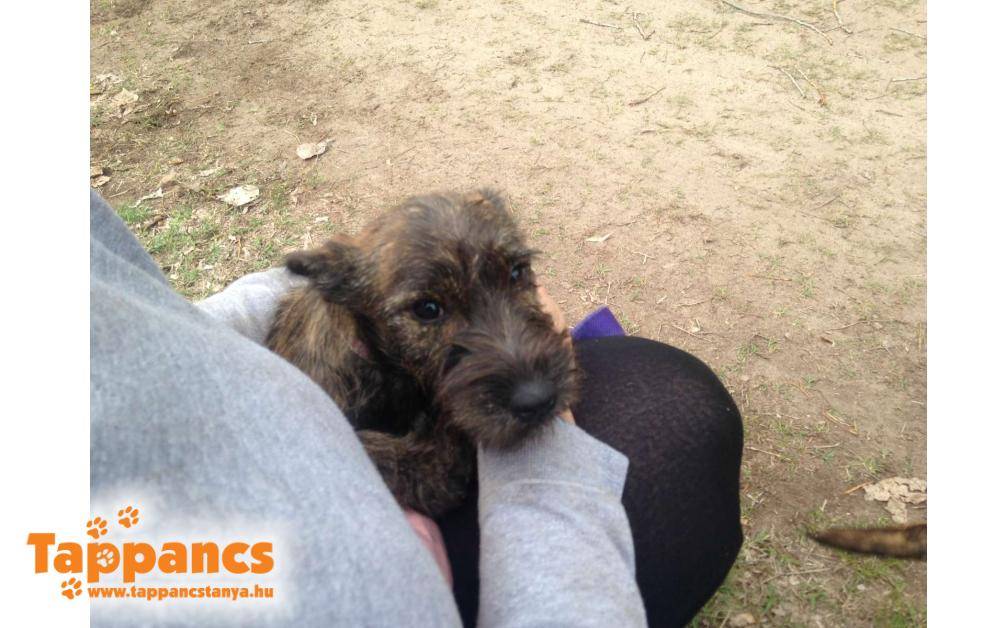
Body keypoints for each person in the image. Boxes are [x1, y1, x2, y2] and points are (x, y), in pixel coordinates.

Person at [91, 190, 742, 626]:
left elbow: (135, 307)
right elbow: (432, 477)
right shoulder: (336, 408)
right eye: (429, 310)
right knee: (677, 413)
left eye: (515, 274)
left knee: (665, 384)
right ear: (350, 302)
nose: (530, 381)